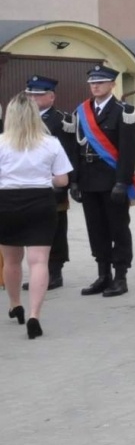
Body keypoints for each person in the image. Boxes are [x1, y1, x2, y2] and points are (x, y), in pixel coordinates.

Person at [2, 93, 73, 338]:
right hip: (41, 202)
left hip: (6, 203)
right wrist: (43, 178)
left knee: (11, 261)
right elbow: (62, 180)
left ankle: (15, 305)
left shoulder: (0, 142)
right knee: (39, 261)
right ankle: (34, 316)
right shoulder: (51, 143)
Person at [75, 64, 135, 298]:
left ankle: (120, 276)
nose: (95, 86)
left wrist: (123, 181)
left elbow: (129, 150)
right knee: (96, 229)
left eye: (100, 82)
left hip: (112, 180)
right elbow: (76, 149)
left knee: (118, 228)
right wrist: (75, 181)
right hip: (88, 180)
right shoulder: (81, 111)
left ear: (112, 84)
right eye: (92, 82)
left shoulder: (124, 111)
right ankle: (103, 274)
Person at [21, 76, 76, 291]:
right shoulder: (21, 119)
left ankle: (55, 272)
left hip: (53, 185)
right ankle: (38, 272)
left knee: (56, 229)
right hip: (27, 185)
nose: (33, 98)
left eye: (38, 95)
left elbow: (70, 153)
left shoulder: (62, 120)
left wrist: (69, 183)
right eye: (30, 94)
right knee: (33, 229)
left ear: (51, 97)